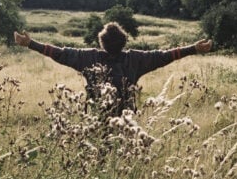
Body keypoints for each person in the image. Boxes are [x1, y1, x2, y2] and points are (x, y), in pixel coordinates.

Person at [14, 22, 212, 113]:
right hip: (126, 119)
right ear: (124, 42)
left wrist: (30, 44)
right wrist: (193, 48)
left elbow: (59, 53)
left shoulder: (87, 58)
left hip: (95, 120)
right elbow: (165, 56)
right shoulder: (136, 60)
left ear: (102, 42)